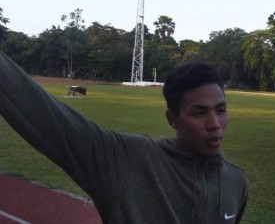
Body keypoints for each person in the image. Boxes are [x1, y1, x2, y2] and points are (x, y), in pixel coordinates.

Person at [0, 51, 248, 223]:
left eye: (221, 110)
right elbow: (48, 117)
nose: (215, 124)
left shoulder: (236, 182)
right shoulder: (127, 160)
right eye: (199, 112)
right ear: (172, 119)